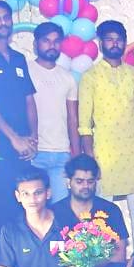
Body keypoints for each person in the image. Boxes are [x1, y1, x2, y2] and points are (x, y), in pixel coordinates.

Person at [78, 20, 134, 245]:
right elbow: (84, 124)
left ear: (124, 42)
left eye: (119, 40)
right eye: (109, 40)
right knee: (102, 212)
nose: (115, 44)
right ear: (100, 43)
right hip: (105, 154)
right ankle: (103, 256)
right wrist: (90, 158)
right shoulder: (90, 77)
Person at [0, 0, 39, 229]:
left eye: (6, 17)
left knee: (25, 210)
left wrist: (33, 138)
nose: (3, 22)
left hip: (24, 149)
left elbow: (29, 100)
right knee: (0, 208)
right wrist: (13, 138)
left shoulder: (19, 58)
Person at [51, 155, 129, 267]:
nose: (85, 186)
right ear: (69, 182)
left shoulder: (110, 210)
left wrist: (90, 264)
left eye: (90, 181)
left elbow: (119, 254)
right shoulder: (55, 212)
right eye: (79, 181)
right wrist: (78, 266)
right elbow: (54, 252)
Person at [27, 22, 80, 203]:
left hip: (61, 154)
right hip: (34, 152)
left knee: (61, 208)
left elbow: (73, 119)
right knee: (34, 208)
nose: (52, 45)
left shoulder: (68, 77)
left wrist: (76, 154)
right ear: (36, 44)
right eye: (46, 41)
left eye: (56, 41)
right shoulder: (25, 71)